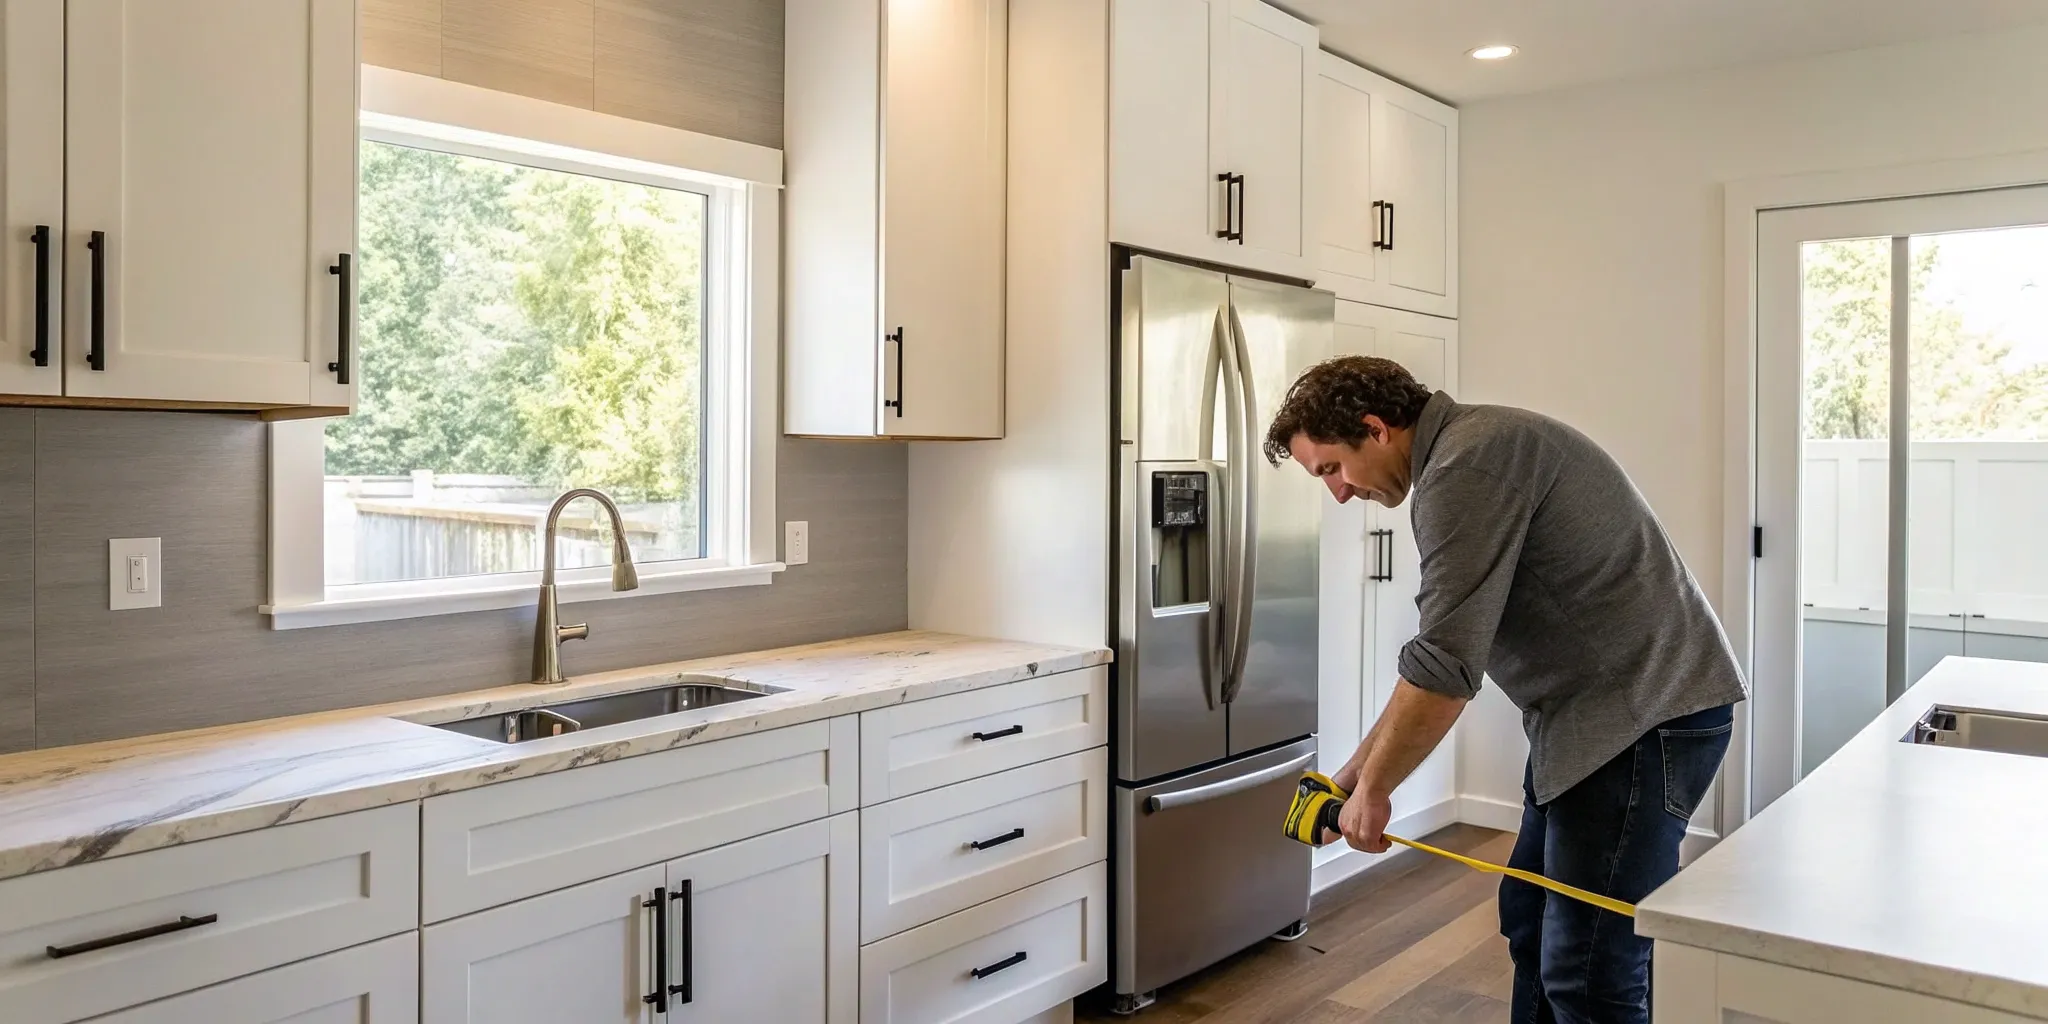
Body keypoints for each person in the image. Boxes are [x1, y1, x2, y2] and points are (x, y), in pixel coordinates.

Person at [1262, 356, 1746, 1024]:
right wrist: (1348, 778)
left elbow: (1446, 668)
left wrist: (1372, 793)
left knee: (1590, 971)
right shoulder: (1472, 448)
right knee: (1532, 922)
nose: (1338, 494)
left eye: (1331, 469)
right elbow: (1434, 659)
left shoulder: (1467, 468)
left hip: (1638, 722)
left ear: (1375, 429)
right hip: (1599, 722)